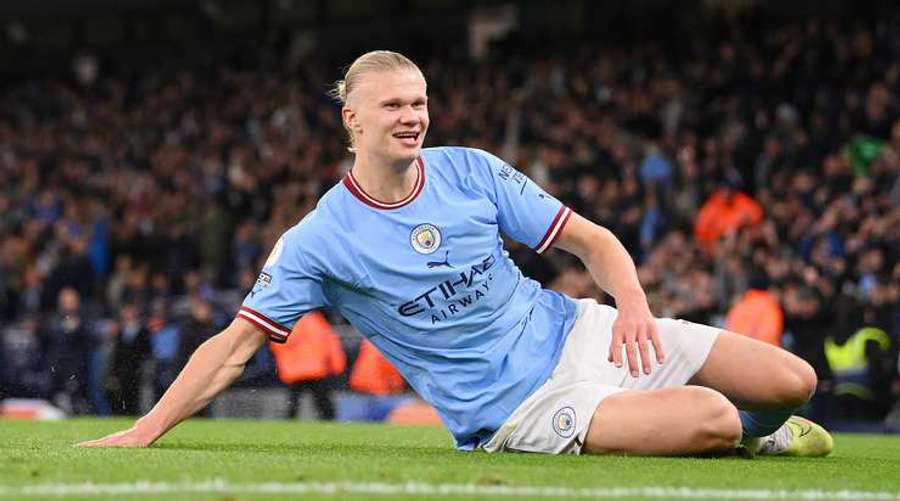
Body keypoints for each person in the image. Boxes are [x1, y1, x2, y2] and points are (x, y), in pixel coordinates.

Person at [79, 50, 832, 457]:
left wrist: (630, 304)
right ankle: (739, 439)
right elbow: (235, 346)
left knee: (791, 380)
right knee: (713, 418)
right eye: (394, 106)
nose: (413, 117)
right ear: (353, 121)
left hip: (578, 329)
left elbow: (591, 240)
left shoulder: (469, 168)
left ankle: (741, 427)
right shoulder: (319, 238)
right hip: (519, 407)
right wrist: (146, 429)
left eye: (419, 102)